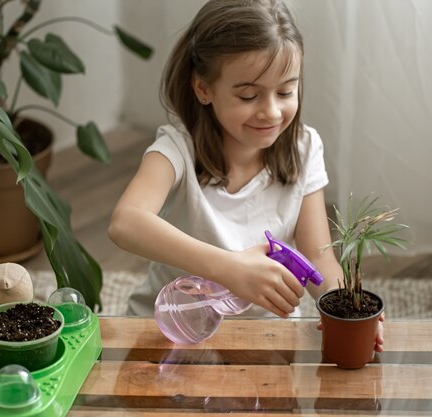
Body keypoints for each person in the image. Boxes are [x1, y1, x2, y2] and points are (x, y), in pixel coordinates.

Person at [108, 0, 383, 351]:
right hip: (173, 330)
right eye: (249, 94)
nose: (270, 111)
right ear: (203, 89)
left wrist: (348, 307)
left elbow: (316, 256)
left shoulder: (305, 147)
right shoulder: (177, 147)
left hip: (267, 338)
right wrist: (230, 269)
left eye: (286, 91)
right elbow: (125, 223)